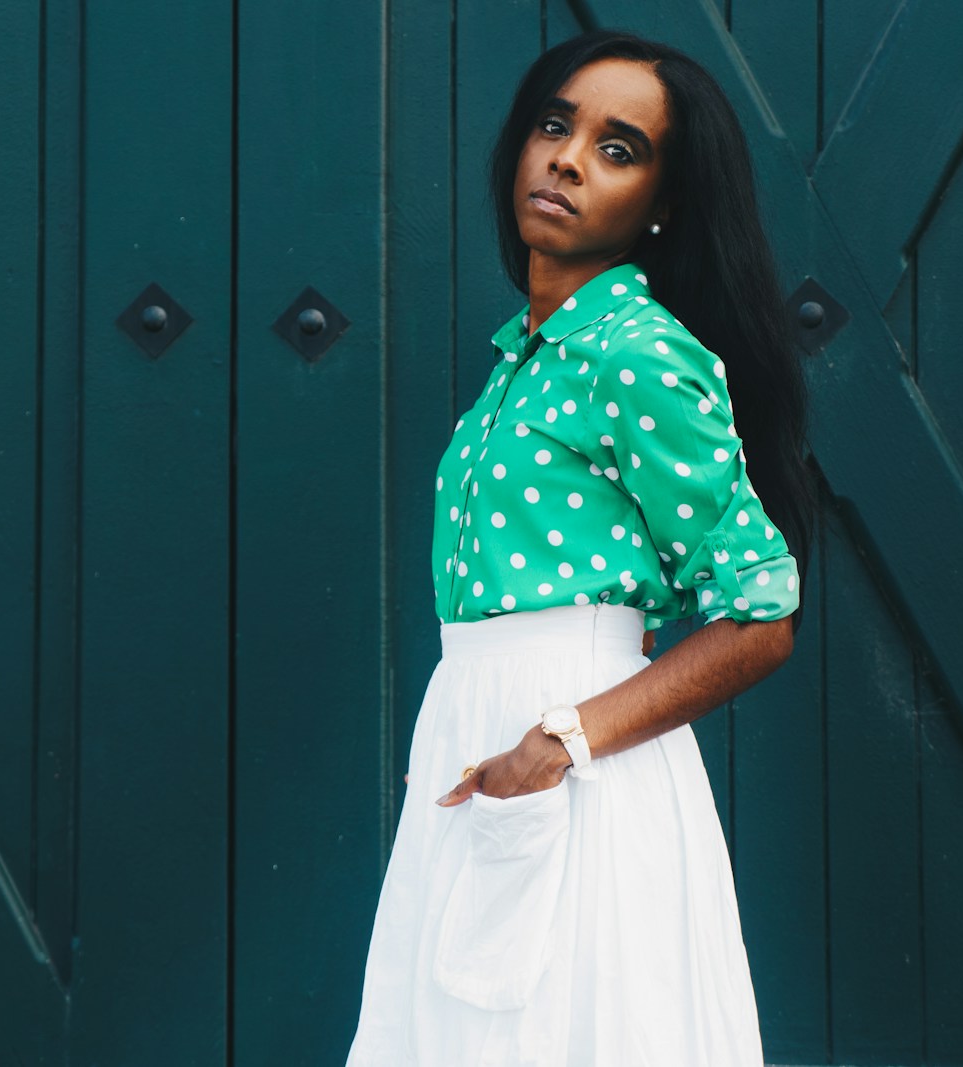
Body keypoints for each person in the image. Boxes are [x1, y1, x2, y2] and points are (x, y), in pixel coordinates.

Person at [345, 30, 816, 1066]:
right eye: (555, 125)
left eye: (617, 146)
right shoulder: (521, 362)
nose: (564, 158)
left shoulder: (637, 354)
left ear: (661, 203)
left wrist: (562, 738)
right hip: (479, 737)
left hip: (580, 762)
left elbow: (761, 612)